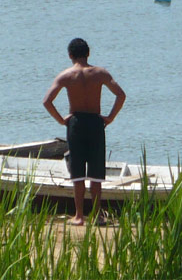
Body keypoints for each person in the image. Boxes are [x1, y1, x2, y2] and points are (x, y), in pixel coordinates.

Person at [42, 37, 126, 226]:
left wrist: (61, 119)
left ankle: (79, 216)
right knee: (96, 172)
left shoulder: (66, 76)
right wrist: (110, 117)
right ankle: (97, 215)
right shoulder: (100, 73)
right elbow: (121, 95)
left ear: (70, 55)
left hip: (76, 123)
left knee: (78, 172)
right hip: (96, 123)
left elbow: (47, 101)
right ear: (88, 53)